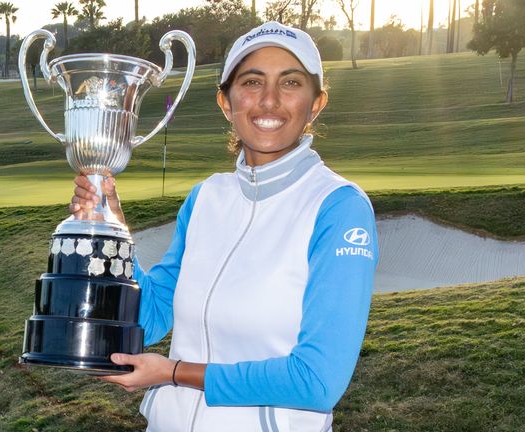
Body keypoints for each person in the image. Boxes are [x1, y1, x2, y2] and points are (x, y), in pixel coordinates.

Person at [70, 21, 378, 432]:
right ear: (226, 102)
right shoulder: (205, 198)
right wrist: (114, 235)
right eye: (252, 82)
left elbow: (317, 381)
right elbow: (151, 316)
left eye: (290, 82)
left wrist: (174, 372)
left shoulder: (339, 207)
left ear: (316, 103)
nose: (269, 101)